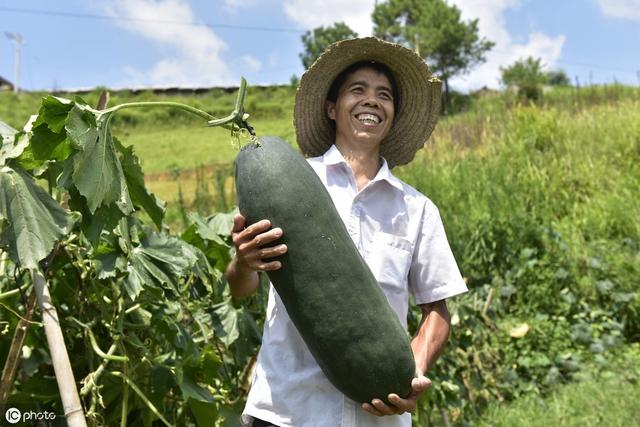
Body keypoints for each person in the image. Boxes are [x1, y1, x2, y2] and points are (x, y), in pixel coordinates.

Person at [226, 37, 468, 427]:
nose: (372, 100)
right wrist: (242, 261)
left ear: (392, 115)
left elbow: (437, 309)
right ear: (331, 108)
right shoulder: (284, 182)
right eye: (358, 90)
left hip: (378, 415)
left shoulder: (417, 209)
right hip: (286, 410)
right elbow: (241, 288)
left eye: (384, 95)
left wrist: (414, 369)